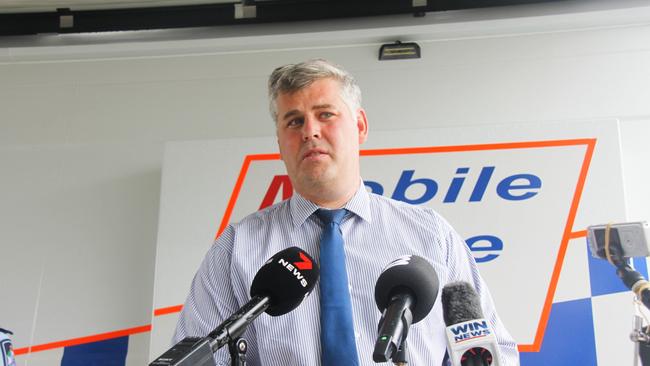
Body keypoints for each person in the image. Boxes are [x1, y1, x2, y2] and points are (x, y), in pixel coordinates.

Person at [173, 59, 519, 365]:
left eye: (325, 114)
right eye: (294, 122)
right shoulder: (238, 248)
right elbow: (195, 357)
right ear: (279, 143)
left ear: (360, 126)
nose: (310, 131)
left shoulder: (431, 235)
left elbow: (492, 352)